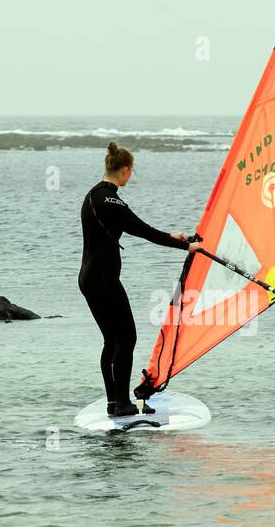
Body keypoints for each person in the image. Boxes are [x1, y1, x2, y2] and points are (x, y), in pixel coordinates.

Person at [79, 142, 203, 417]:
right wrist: (185, 247)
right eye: (131, 172)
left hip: (90, 278)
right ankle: (122, 404)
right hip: (103, 280)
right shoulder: (111, 200)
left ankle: (114, 402)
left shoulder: (93, 195)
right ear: (125, 171)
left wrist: (174, 237)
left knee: (112, 340)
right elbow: (143, 230)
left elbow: (138, 228)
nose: (130, 176)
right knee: (126, 338)